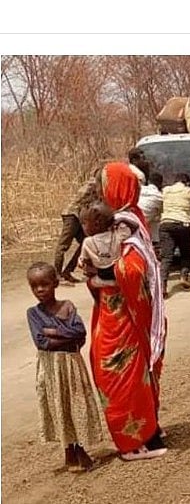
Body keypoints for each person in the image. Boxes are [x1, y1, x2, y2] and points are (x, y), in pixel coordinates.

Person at [90, 161, 167, 461]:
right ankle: (148, 430)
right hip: (125, 314)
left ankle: (138, 440)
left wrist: (101, 275)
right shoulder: (131, 216)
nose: (100, 192)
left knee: (121, 375)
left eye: (103, 186)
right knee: (134, 375)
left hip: (121, 318)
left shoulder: (122, 223)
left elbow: (133, 270)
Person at [26, 261, 104, 472]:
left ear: (56, 283)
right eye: (35, 286)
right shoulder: (33, 313)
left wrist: (54, 332)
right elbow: (42, 342)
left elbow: (80, 333)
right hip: (51, 368)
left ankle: (78, 448)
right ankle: (71, 450)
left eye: (45, 284)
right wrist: (65, 336)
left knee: (75, 404)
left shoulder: (67, 306)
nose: (40, 290)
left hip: (71, 365)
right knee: (59, 406)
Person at [159, 173, 190, 295]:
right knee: (185, 253)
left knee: (166, 257)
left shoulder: (166, 190)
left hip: (165, 224)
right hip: (182, 224)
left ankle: (162, 286)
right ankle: (184, 277)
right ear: (187, 182)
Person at [78, 202, 134, 289]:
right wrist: (122, 220)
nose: (83, 228)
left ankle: (96, 301)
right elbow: (135, 227)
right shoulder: (117, 235)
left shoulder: (88, 241)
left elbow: (84, 260)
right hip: (118, 275)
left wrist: (83, 264)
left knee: (90, 283)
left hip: (102, 277)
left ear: (96, 225)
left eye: (85, 224)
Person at [54, 177, 98, 284]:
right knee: (63, 245)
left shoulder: (95, 185)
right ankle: (57, 274)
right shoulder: (93, 184)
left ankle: (67, 271)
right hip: (72, 215)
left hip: (77, 216)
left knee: (85, 242)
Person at [138, 171, 164, 240]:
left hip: (128, 218)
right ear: (161, 184)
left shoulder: (139, 189)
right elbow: (160, 214)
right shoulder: (160, 197)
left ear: (149, 181)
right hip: (141, 226)